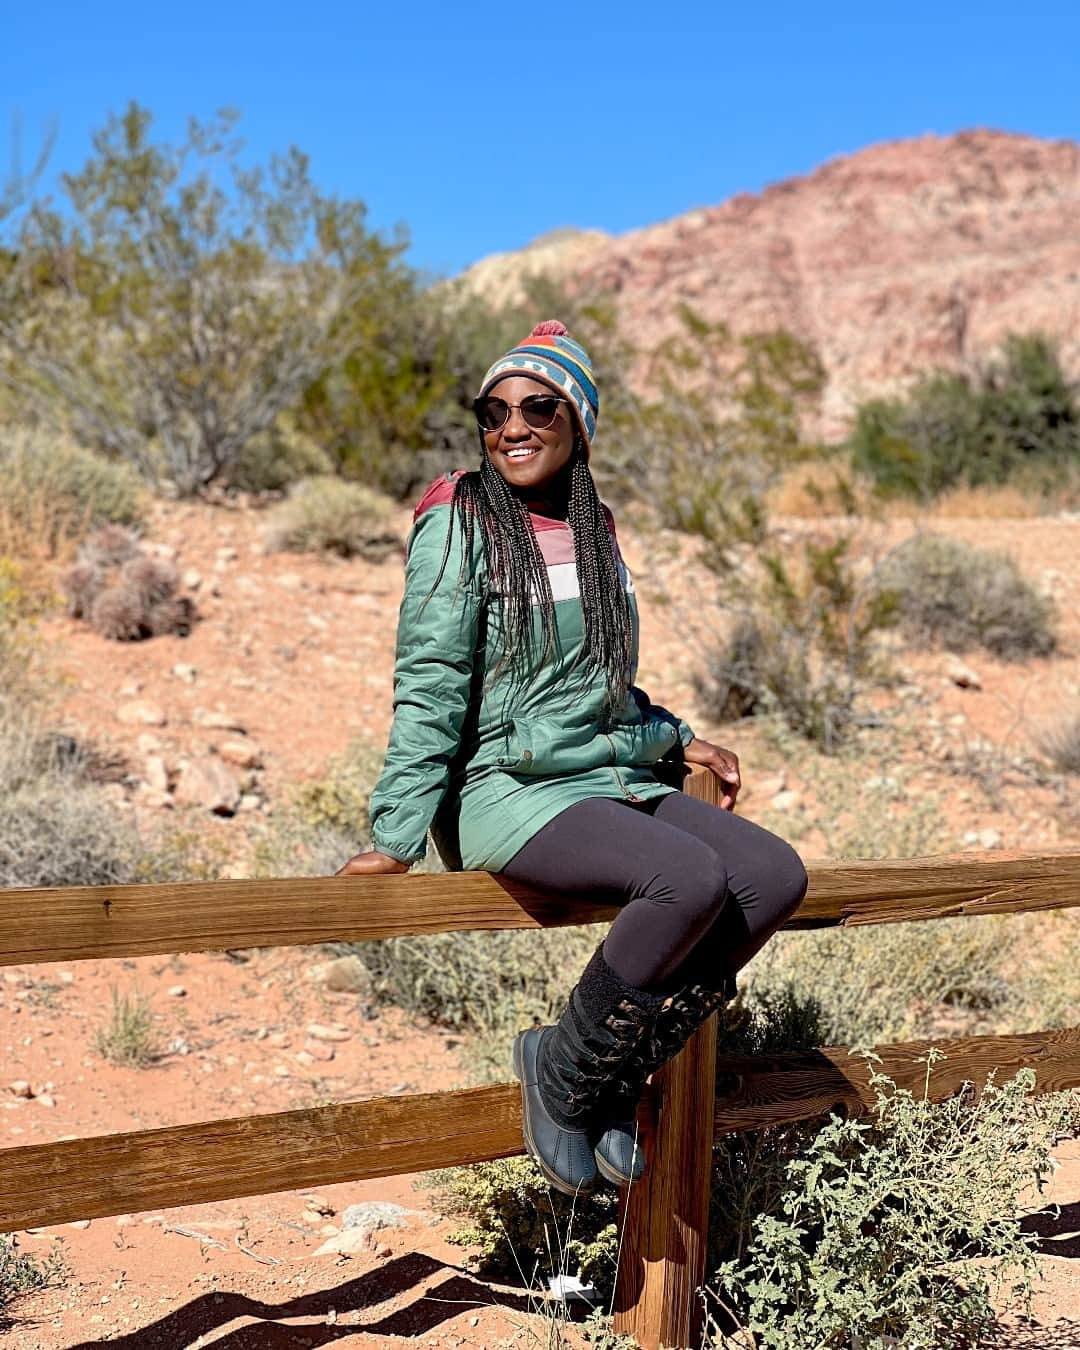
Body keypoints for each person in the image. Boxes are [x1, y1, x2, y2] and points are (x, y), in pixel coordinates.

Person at [336, 321, 808, 1197]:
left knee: (771, 875)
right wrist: (396, 833)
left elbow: (597, 682)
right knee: (687, 882)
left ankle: (608, 1074)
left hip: (601, 773)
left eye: (538, 406)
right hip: (506, 786)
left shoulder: (595, 529)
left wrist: (673, 734)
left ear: (578, 423)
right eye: (495, 410)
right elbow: (431, 681)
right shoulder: (460, 523)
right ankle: (563, 1070)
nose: (513, 426)